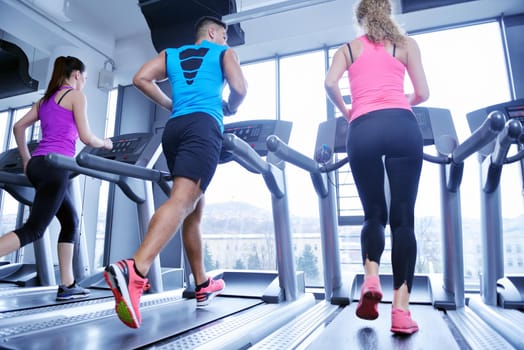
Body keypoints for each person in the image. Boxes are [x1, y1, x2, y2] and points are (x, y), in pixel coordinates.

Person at [103, 16, 247, 329]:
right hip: (203, 125)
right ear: (213, 32)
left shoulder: (171, 54)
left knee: (193, 207)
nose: (226, 40)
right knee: (183, 201)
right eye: (224, 35)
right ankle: (135, 271)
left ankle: (201, 283)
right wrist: (232, 106)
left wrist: (172, 103)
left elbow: (141, 78)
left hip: (175, 128)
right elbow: (240, 87)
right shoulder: (224, 53)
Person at [324, 0, 429, 335]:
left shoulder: (349, 49)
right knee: (403, 220)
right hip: (402, 126)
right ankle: (400, 312)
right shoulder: (406, 45)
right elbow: (423, 93)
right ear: (389, 12)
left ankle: (371, 278)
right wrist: (398, 104)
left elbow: (329, 84)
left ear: (359, 18)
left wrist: (349, 112)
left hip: (363, 128)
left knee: (373, 214)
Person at [0, 56, 113, 300]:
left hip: (38, 165)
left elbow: (18, 127)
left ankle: (67, 285)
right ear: (75, 76)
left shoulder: (45, 101)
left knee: (70, 221)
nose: (83, 82)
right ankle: (67, 284)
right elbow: (85, 137)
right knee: (34, 230)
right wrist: (104, 143)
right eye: (84, 78)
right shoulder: (75, 96)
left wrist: (27, 159)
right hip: (56, 166)